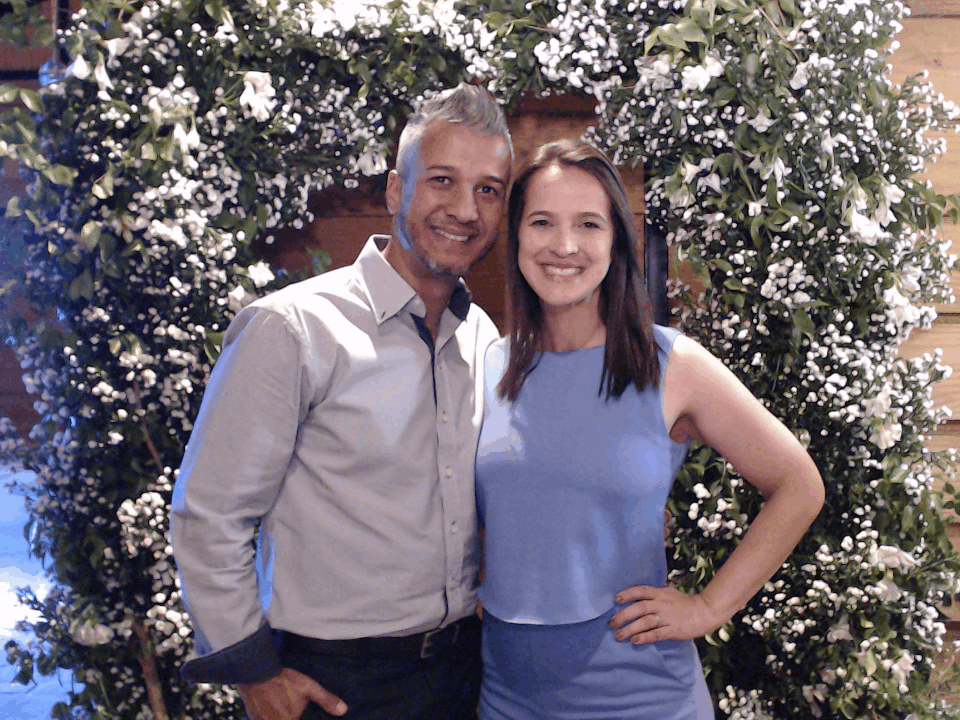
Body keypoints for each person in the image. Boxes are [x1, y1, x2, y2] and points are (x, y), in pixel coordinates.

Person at [170, 83, 513, 720]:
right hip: (333, 682)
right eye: (442, 180)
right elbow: (209, 513)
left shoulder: (481, 337)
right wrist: (254, 672)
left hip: (462, 672)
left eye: (488, 190)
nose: (466, 209)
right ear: (395, 190)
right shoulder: (293, 328)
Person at [474, 139, 825, 719]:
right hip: (508, 695)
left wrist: (709, 607)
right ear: (515, 236)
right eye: (542, 222)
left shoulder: (672, 364)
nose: (564, 245)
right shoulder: (490, 363)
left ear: (616, 241)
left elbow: (799, 485)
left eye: (588, 224)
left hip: (639, 692)